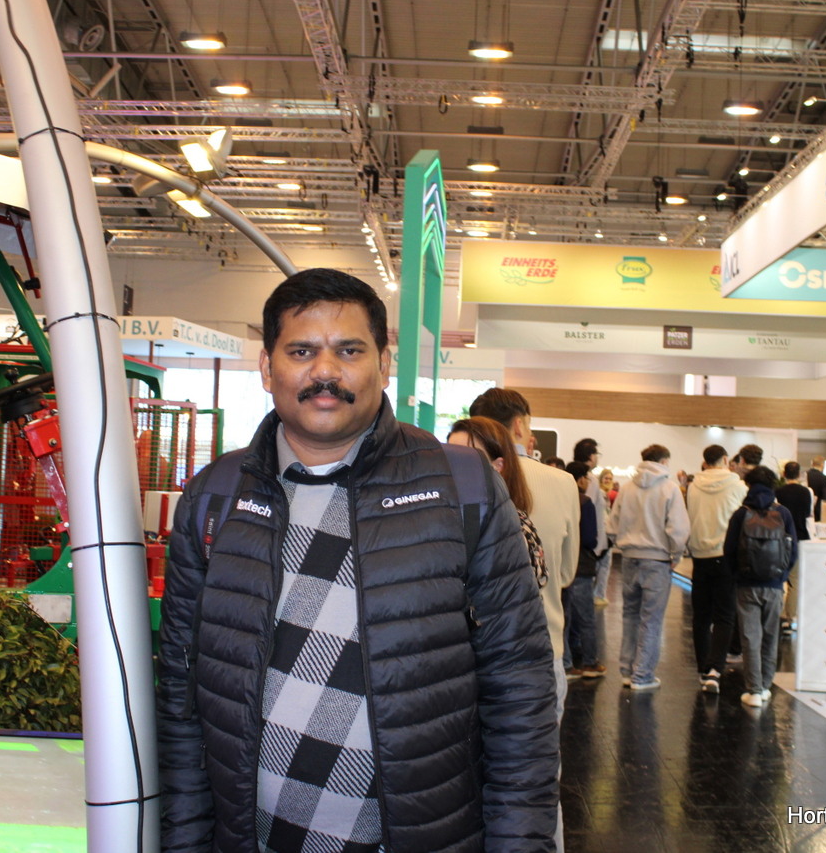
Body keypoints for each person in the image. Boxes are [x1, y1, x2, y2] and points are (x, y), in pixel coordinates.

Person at [157, 269, 558, 851]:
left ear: (383, 364)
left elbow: (520, 685)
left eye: (349, 351)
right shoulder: (214, 496)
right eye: (301, 351)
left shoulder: (461, 486)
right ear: (267, 368)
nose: (325, 371)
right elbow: (181, 696)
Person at [469, 387, 580, 717]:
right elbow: (565, 573)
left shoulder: (458, 476)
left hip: (473, 648)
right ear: (519, 425)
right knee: (539, 744)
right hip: (541, 644)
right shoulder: (562, 482)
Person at [609, 444, 690, 692]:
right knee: (651, 620)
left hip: (629, 558)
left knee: (630, 615)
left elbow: (612, 526)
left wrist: (622, 544)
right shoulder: (669, 488)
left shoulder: (627, 488)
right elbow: (678, 529)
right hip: (657, 560)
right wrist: (676, 553)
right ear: (664, 461)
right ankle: (642, 675)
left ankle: (626, 670)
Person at [724, 466, 798, 708]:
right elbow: (793, 550)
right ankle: (765, 686)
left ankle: (754, 690)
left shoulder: (741, 514)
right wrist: (782, 575)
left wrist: (737, 575)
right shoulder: (783, 513)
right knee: (770, 636)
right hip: (774, 585)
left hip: (746, 585)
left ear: (749, 486)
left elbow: (729, 550)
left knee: (750, 638)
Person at [447, 417, 546, 588]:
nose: (454, 467)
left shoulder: (515, 527)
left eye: (466, 458)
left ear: (498, 466)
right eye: (449, 456)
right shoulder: (440, 519)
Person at [685, 444, 748, 694]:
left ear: (705, 461)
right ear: (725, 459)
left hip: (699, 555)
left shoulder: (693, 485)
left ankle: (703, 667)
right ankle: (714, 669)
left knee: (701, 615)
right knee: (724, 615)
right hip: (725, 555)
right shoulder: (737, 485)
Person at [564, 460, 605, 678]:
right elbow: (590, 539)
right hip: (581, 565)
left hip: (563, 564)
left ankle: (566, 664)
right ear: (580, 479)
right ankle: (590, 663)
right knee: (586, 618)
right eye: (587, 478)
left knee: (564, 617)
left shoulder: (560, 498)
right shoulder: (585, 502)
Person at [774, 461, 814, 633]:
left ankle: (775, 615)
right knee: (795, 580)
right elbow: (808, 514)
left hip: (780, 537)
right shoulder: (806, 492)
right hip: (799, 537)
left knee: (777, 578)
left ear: (784, 474)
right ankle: (789, 618)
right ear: (799, 474)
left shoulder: (778, 492)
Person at [573, 438, 611, 606]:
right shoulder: (589, 479)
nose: (597, 458)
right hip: (588, 542)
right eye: (596, 454)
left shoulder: (572, 474)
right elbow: (588, 507)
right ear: (590, 455)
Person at [806, 456, 826, 522]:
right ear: (822, 465)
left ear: (812, 464)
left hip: (806, 507)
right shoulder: (824, 478)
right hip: (818, 511)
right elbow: (825, 497)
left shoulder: (805, 475)